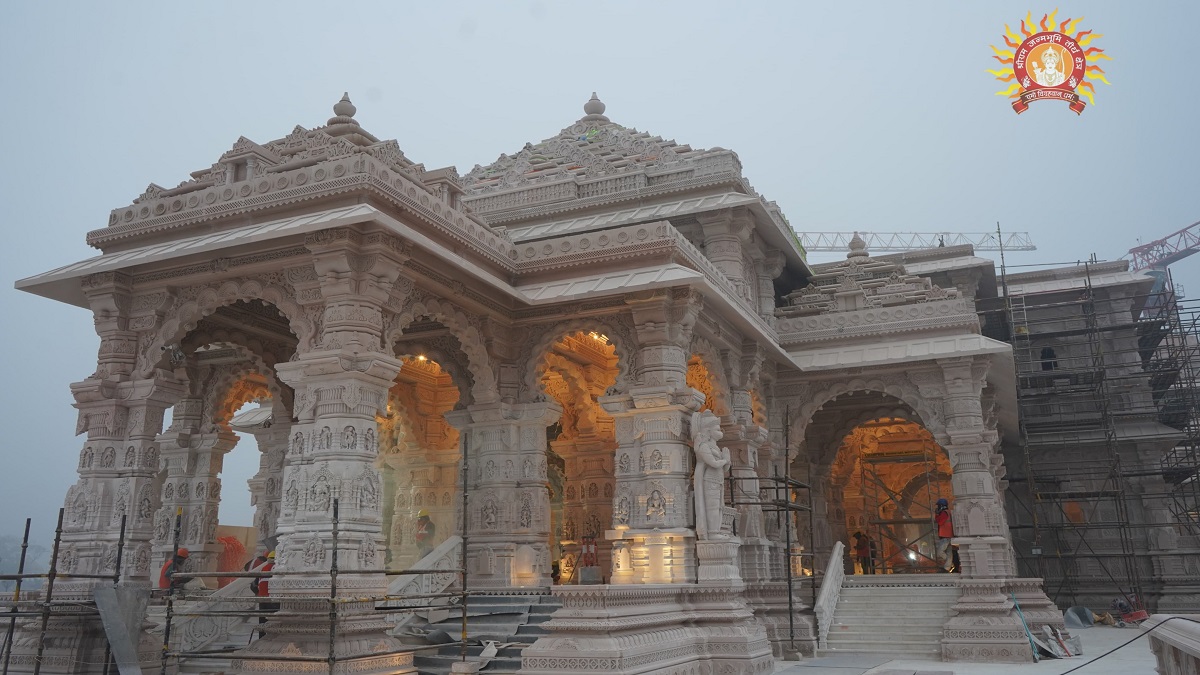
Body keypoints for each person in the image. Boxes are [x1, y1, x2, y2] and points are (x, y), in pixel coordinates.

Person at [251, 551, 277, 637]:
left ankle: (261, 639)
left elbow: (253, 586)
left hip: (262, 599)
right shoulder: (276, 568)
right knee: (273, 621)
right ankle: (272, 638)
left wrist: (258, 593)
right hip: (272, 599)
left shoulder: (263, 568)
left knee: (262, 621)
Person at [935, 498, 955, 572]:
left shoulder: (944, 513)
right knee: (949, 552)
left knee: (940, 552)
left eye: (938, 506)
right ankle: (947, 568)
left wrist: (937, 514)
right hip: (949, 535)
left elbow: (940, 522)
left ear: (942, 506)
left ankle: (950, 563)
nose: (938, 507)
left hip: (945, 535)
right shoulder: (949, 512)